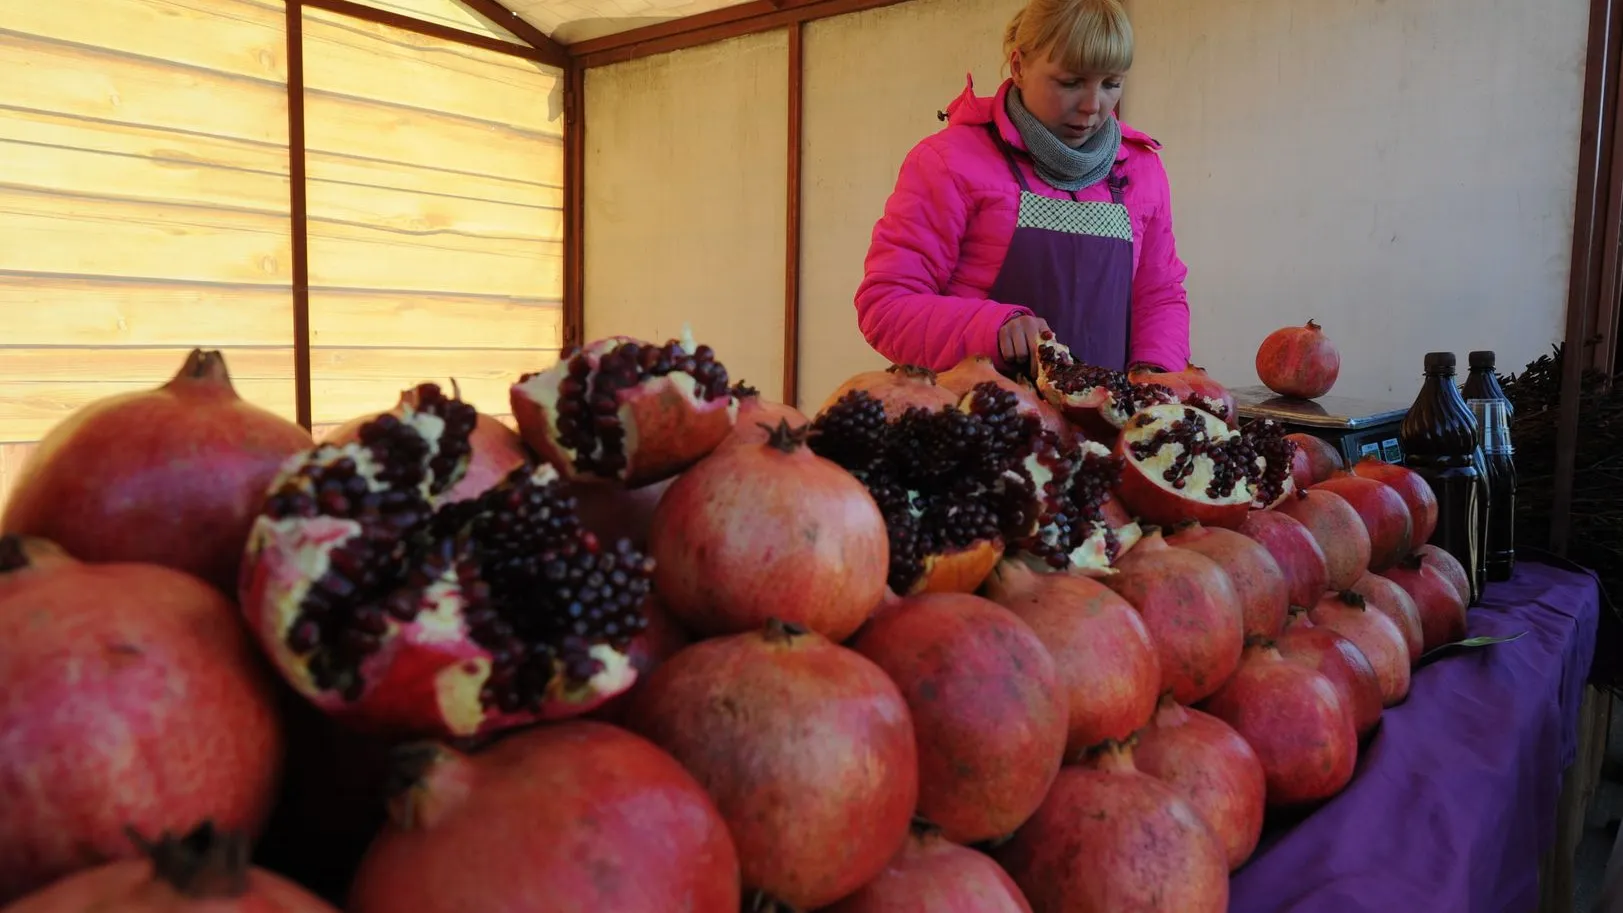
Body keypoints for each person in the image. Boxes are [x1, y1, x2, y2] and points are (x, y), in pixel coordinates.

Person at [853, 0, 1192, 378]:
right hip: (979, 421)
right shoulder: (947, 161)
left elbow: (1159, 295)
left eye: (1112, 84)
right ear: (1018, 66)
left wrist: (1155, 371)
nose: (1093, 106)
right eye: (1070, 82)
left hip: (1105, 426)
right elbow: (885, 306)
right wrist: (994, 329)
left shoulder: (1141, 169)